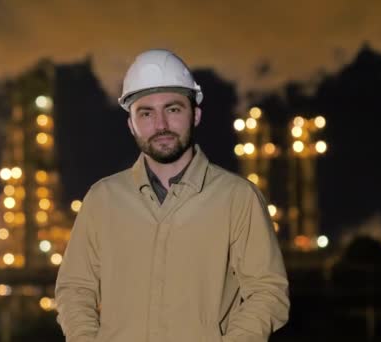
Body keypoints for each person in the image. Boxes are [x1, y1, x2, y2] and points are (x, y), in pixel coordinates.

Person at [55, 49, 289, 342]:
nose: (161, 124)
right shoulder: (103, 199)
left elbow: (268, 292)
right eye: (146, 113)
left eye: (173, 109)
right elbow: (75, 289)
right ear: (131, 124)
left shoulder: (237, 198)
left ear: (196, 114)